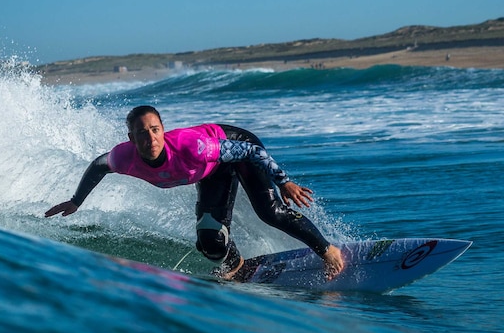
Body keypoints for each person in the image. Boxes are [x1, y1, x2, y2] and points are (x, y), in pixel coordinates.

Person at [45, 105, 345, 280]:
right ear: (131, 138)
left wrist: (282, 182)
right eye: (141, 132)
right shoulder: (124, 157)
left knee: (269, 212)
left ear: (163, 129)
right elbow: (98, 166)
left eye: (154, 130)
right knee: (210, 242)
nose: (150, 138)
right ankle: (238, 268)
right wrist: (75, 201)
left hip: (236, 147)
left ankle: (328, 250)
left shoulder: (193, 146)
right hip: (213, 171)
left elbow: (251, 151)